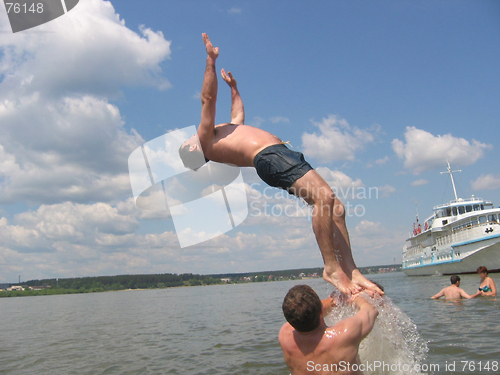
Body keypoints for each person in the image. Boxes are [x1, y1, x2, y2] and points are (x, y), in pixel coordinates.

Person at [179, 33, 383, 295]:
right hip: (271, 158)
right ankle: (331, 268)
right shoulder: (206, 142)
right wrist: (210, 60)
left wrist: (234, 89)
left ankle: (352, 270)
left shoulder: (222, 135)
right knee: (325, 198)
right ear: (194, 149)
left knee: (336, 207)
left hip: (280, 154)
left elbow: (238, 115)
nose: (190, 135)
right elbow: (207, 100)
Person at [278, 285, 378, 375]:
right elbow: (371, 310)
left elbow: (303, 312)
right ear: (321, 309)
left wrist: (333, 301)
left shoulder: (284, 335)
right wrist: (359, 298)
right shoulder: (344, 334)